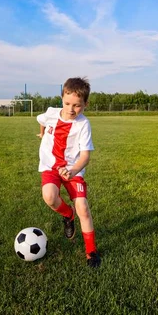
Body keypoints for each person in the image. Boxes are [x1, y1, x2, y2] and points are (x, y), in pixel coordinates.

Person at [36, 77, 101, 268]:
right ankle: (67, 215)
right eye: (67, 103)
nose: (71, 109)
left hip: (73, 170)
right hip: (51, 166)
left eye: (77, 105)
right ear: (61, 98)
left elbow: (85, 156)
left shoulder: (83, 124)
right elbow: (41, 120)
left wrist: (72, 171)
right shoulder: (51, 114)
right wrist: (42, 133)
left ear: (86, 104)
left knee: (83, 207)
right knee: (49, 197)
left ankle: (91, 252)